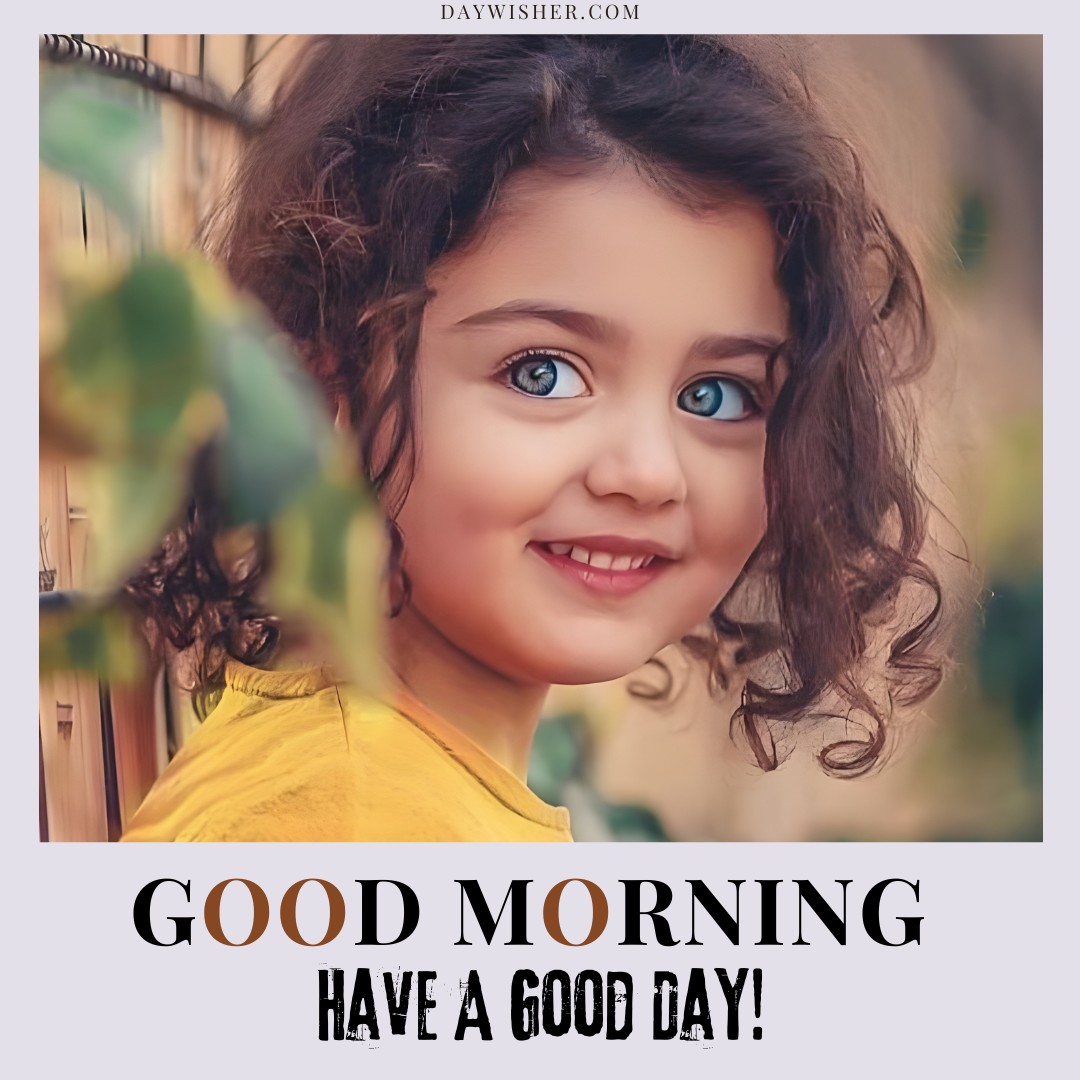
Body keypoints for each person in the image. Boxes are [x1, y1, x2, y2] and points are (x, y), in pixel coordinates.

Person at [121, 34, 946, 842]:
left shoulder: (380, 789)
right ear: (322, 387)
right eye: (542, 373)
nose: (649, 473)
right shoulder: (349, 820)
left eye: (717, 393)